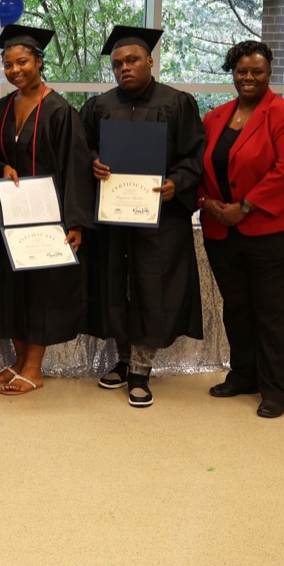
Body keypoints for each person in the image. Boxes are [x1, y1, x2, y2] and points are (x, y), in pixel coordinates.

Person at [81, 25, 205, 408]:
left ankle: (141, 369)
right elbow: (82, 148)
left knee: (153, 288)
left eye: (132, 60)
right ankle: (123, 360)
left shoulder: (177, 103)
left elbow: (195, 155)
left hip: (160, 218)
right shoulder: (99, 106)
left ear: (150, 61)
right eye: (117, 64)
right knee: (115, 284)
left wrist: (177, 183)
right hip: (114, 216)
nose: (124, 68)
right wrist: (92, 162)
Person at [197, 40, 284, 418]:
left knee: (276, 313)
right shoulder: (215, 117)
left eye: (257, 71)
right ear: (232, 73)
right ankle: (244, 375)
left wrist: (245, 207)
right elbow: (201, 166)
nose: (248, 77)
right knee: (238, 309)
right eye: (241, 71)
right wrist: (206, 202)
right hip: (223, 233)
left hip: (280, 234)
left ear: (269, 73)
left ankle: (277, 389)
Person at [0, 25, 93, 396]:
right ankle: (18, 362)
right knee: (10, 288)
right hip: (10, 215)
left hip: (48, 217)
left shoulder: (60, 111)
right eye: (8, 64)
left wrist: (75, 222)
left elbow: (76, 167)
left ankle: (34, 367)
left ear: (39, 63)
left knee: (40, 291)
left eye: (22, 62)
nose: (15, 70)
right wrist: (1, 168)